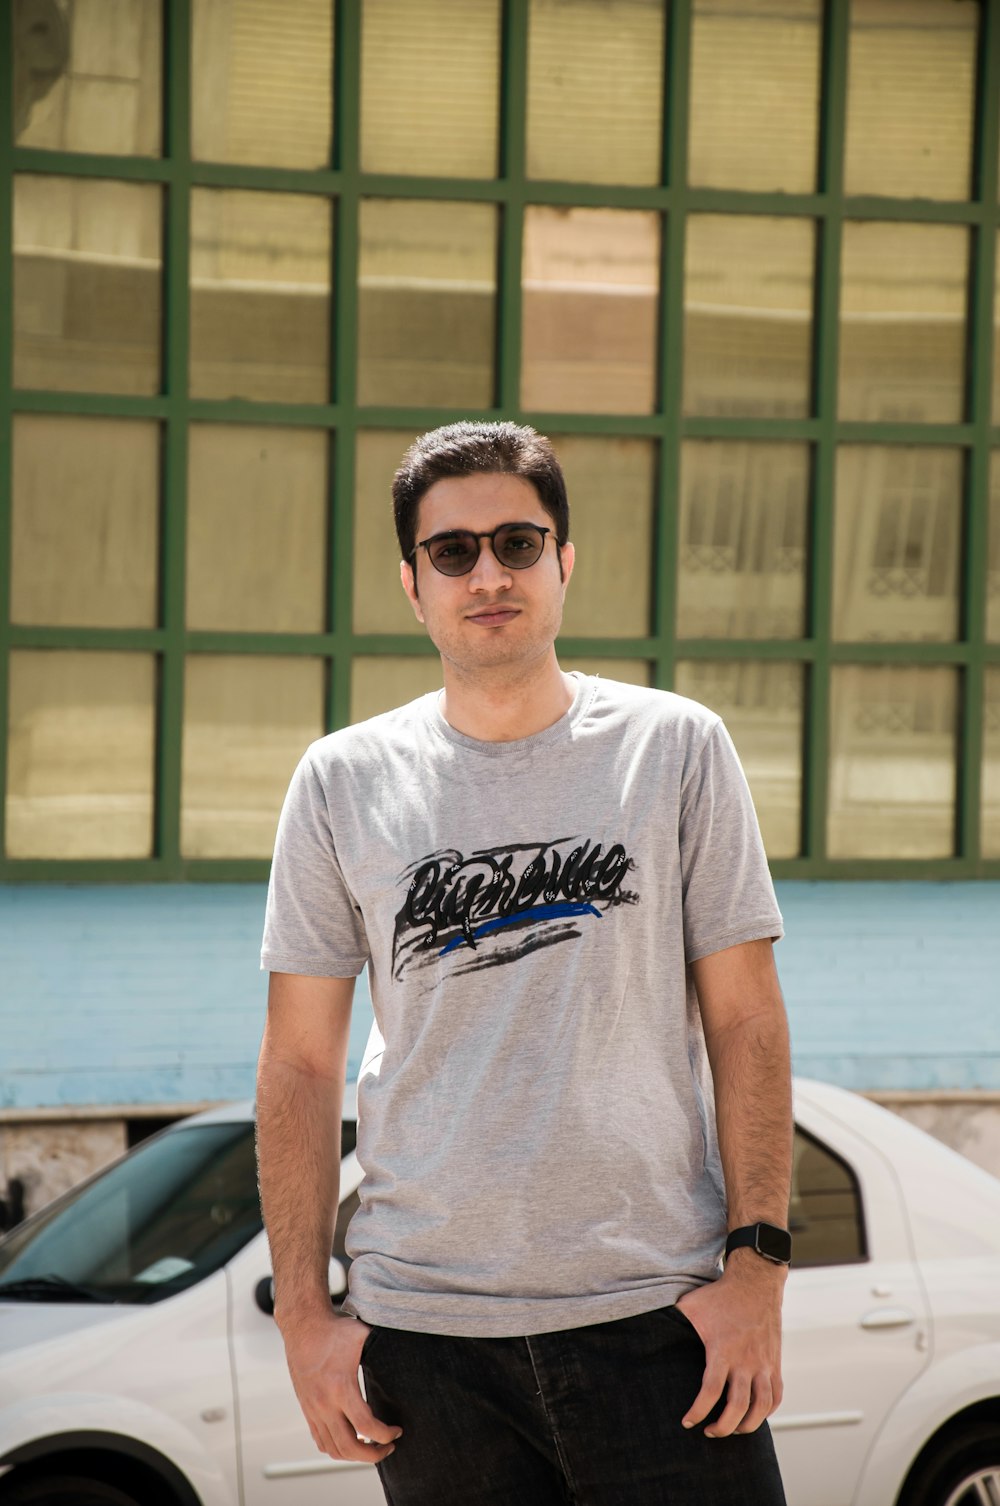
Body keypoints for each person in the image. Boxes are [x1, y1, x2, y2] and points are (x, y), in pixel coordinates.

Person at [256, 419, 793, 1506]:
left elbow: (745, 1021)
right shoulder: (340, 781)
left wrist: (759, 1271)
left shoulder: (674, 748)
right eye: (452, 552)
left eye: (517, 541)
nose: (487, 573)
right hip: (430, 1349)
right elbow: (301, 1064)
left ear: (563, 562)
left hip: (658, 1328)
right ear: (412, 584)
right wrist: (306, 1317)